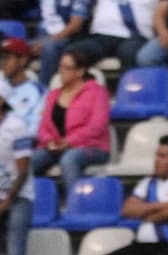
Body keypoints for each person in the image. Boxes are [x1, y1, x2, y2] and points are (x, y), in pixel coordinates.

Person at [30, 48, 111, 189]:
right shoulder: (53, 95)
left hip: (91, 147)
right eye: (60, 66)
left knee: (69, 159)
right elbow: (43, 127)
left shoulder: (97, 92)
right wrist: (48, 141)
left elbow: (97, 126)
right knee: (29, 161)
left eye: (67, 68)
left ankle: (76, 206)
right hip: (57, 147)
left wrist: (70, 142)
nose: (61, 71)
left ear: (79, 72)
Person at [31, 0, 91, 87]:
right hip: (41, 37)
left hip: (66, 39)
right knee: (14, 48)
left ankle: (44, 93)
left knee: (49, 48)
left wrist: (50, 40)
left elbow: (75, 25)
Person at [0, 87, 35, 255]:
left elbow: (22, 171)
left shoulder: (17, 127)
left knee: (16, 253)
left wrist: (7, 200)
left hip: (19, 195)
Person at [0, 38, 46, 138]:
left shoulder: (39, 92)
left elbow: (35, 130)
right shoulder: (1, 86)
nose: (3, 62)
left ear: (22, 60)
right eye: (1, 58)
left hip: (17, 145)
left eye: (7, 57)